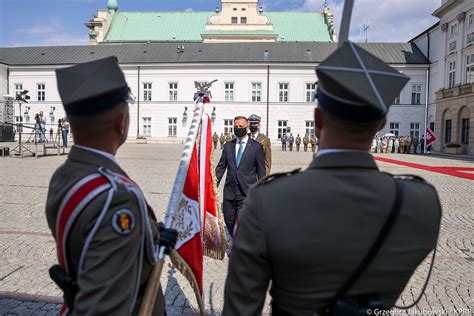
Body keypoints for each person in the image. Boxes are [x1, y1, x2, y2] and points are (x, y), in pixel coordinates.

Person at [223, 41, 441, 315]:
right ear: (382, 125)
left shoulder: (268, 199)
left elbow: (240, 308)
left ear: (317, 119)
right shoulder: (421, 201)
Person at [46, 57, 177, 316]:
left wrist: (148, 238)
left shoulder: (65, 174)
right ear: (122, 121)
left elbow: (91, 242)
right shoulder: (116, 197)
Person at [216, 116, 265, 236]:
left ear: (247, 128)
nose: (238, 129)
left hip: (246, 192)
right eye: (236, 127)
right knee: (228, 220)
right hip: (229, 191)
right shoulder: (228, 146)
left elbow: (261, 171)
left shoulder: (256, 147)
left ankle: (239, 246)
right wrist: (212, 185)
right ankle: (236, 239)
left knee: (241, 221)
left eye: (241, 127)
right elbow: (221, 167)